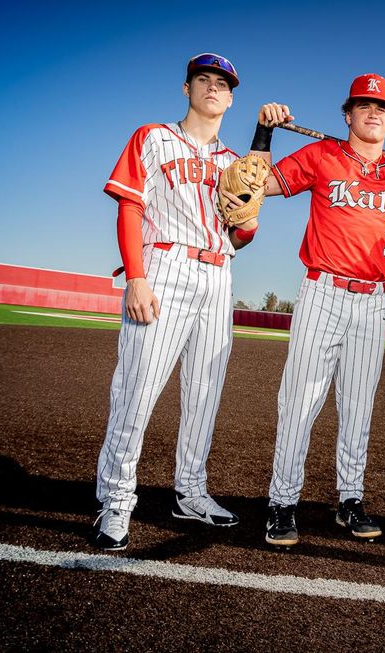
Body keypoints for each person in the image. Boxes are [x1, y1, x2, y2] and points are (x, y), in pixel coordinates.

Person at [247, 74, 385, 547]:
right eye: (363, 106)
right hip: (323, 291)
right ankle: (282, 501)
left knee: (358, 406)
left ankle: (350, 499)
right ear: (348, 115)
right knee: (299, 401)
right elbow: (260, 186)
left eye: (381, 107)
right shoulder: (321, 156)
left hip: (372, 301)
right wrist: (264, 132)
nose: (373, 113)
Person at [94, 53, 258, 551]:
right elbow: (130, 207)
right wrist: (137, 278)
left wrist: (245, 218)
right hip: (163, 266)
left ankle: (190, 491)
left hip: (218, 274)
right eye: (204, 80)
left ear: (231, 98)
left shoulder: (236, 163)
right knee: (138, 388)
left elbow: (243, 235)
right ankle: (117, 499)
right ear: (186, 88)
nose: (213, 88)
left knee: (204, 392)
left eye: (222, 84)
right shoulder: (152, 137)